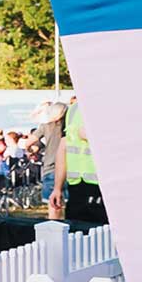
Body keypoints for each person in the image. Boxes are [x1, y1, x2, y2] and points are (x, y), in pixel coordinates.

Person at [48, 96, 106, 224]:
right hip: (76, 187)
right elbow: (63, 149)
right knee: (76, 233)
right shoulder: (73, 109)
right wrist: (57, 188)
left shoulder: (108, 106)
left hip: (101, 186)